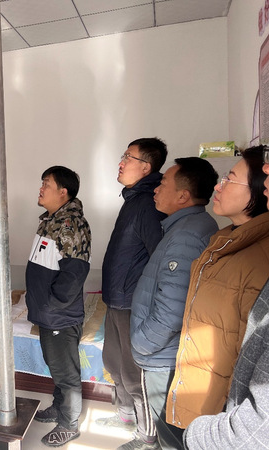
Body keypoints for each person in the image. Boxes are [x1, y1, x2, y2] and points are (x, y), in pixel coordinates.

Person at [160, 146, 269, 449]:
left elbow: (247, 352)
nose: (218, 188)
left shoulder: (259, 258)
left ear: (258, 191)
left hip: (217, 414)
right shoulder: (225, 239)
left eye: (229, 179)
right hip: (195, 388)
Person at [129, 158, 219, 441]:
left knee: (171, 436)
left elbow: (172, 309)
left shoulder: (187, 235)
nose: (156, 189)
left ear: (183, 196)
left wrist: (143, 343)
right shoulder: (188, 226)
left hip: (164, 358)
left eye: (163, 183)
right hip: (167, 354)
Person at [98, 137, 168, 450]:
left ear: (146, 167)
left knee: (133, 373)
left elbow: (159, 256)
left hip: (132, 304)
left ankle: (147, 437)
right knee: (113, 363)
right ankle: (125, 416)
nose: (121, 162)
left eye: (128, 157)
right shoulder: (133, 199)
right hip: (116, 300)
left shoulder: (149, 203)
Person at [25, 166, 91, 447]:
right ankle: (59, 407)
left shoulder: (69, 224)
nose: (41, 188)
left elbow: (73, 275)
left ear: (63, 192)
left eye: (47, 184)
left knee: (66, 373)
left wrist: (50, 306)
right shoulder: (51, 221)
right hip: (48, 312)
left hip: (59, 316)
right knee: (56, 366)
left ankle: (69, 424)